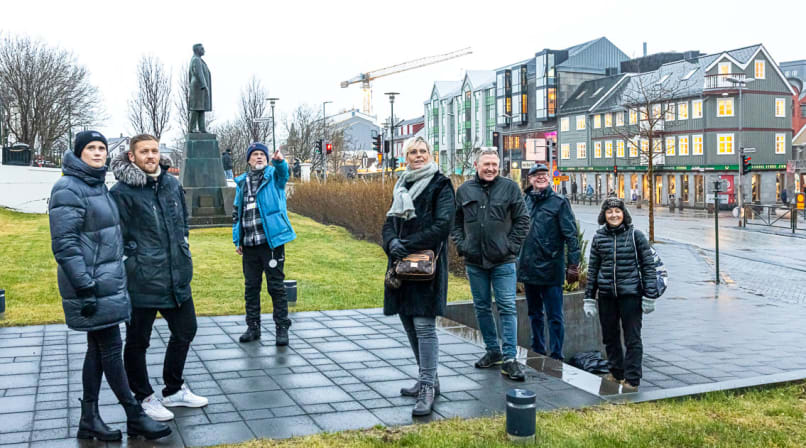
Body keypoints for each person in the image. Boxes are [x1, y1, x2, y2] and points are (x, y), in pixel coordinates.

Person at [49, 130, 171, 441]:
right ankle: (134, 415)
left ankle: (89, 418)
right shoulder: (68, 188)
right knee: (112, 348)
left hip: (106, 281)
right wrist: (84, 286)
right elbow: (65, 244)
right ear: (79, 153)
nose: (98, 153)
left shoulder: (95, 185)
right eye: (90, 148)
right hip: (90, 285)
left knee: (97, 349)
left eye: (101, 148)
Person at [110, 134, 208, 423]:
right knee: (138, 341)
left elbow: (183, 221)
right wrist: (132, 260)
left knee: (186, 330)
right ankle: (143, 397)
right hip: (142, 279)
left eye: (154, 150)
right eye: (144, 151)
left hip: (175, 275)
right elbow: (116, 235)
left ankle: (173, 388)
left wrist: (183, 244)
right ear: (132, 156)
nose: (150, 156)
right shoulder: (121, 192)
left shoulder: (171, 184)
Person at [382, 137, 454, 417]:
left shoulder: (441, 184)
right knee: (410, 325)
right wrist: (391, 243)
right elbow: (389, 222)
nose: (418, 155)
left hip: (426, 268)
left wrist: (408, 244)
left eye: (423, 151)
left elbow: (443, 226)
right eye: (413, 152)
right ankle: (430, 379)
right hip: (401, 267)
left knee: (424, 327)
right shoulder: (401, 184)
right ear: (406, 157)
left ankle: (426, 388)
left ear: (430, 155)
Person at [452, 149, 530, 381]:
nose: (491, 168)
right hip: (475, 261)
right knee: (482, 307)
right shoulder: (464, 190)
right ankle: (492, 351)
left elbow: (523, 219)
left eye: (494, 164)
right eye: (486, 164)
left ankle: (510, 358)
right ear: (476, 165)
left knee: (507, 307)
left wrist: (510, 246)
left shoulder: (510, 188)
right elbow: (455, 222)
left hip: (503, 261)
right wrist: (463, 246)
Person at [583, 198, 658, 392]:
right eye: (609, 212)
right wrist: (589, 297)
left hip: (630, 295)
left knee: (632, 338)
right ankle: (616, 372)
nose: (614, 215)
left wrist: (649, 295)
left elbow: (648, 267)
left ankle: (632, 379)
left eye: (617, 211)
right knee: (610, 336)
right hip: (606, 295)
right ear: (604, 215)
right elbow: (593, 269)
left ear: (624, 213)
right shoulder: (599, 237)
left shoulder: (635, 236)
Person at [233, 142, 296, 344]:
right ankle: (253, 327)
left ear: (267, 158)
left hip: (271, 243)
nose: (259, 157)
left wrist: (280, 163)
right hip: (249, 243)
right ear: (248, 160)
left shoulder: (274, 177)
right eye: (255, 154)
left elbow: (284, 174)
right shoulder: (242, 183)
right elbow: (237, 212)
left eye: (262, 154)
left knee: (276, 286)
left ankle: (282, 328)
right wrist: (237, 239)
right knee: (251, 287)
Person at [518, 164, 580, 361]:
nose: (541, 177)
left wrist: (573, 265)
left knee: (555, 316)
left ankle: (556, 355)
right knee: (534, 313)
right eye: (536, 175)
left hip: (551, 267)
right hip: (529, 267)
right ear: (530, 179)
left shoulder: (559, 202)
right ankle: (537, 351)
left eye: (544, 174)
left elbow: (571, 235)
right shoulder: (525, 201)